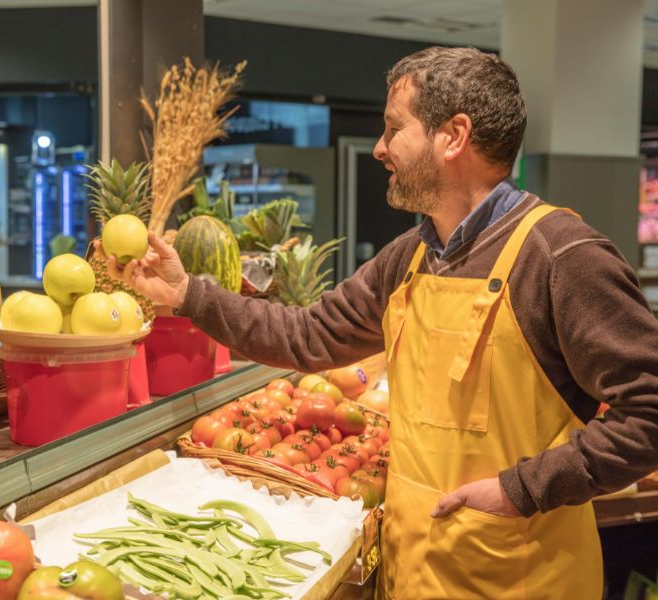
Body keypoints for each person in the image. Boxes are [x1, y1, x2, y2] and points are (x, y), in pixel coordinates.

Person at [114, 47, 658, 599]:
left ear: (453, 136)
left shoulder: (561, 256)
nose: (379, 148)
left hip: (520, 579)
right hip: (413, 572)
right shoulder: (410, 258)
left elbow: (650, 412)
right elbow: (307, 336)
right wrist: (187, 294)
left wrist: (520, 490)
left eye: (394, 129)